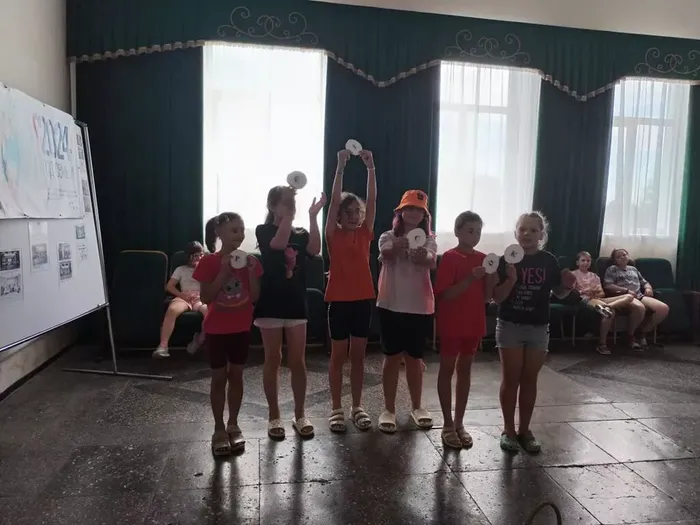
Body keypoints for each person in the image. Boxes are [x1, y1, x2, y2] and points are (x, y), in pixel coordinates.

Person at [492, 211, 576, 453]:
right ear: (515, 232)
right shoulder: (506, 260)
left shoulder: (549, 261)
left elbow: (559, 293)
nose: (527, 234)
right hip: (510, 326)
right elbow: (497, 297)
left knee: (530, 379)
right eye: (522, 229)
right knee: (511, 379)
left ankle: (525, 430)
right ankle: (508, 430)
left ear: (541, 235)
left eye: (533, 230)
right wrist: (510, 279)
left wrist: (567, 284)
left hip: (539, 327)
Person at [255, 185, 326, 439]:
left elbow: (315, 249)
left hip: (296, 303)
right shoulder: (264, 230)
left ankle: (300, 414)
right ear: (272, 206)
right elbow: (278, 243)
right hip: (270, 304)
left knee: (298, 360)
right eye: (285, 202)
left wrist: (313, 217)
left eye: (292, 203)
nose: (290, 207)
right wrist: (286, 217)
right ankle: (274, 416)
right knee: (273, 358)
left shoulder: (301, 233)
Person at [192, 212, 263, 456]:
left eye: (241, 230)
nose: (239, 235)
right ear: (219, 233)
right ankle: (218, 428)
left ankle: (233, 424)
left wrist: (251, 272)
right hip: (216, 330)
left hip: (241, 328)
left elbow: (254, 297)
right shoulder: (209, 262)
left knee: (236, 376)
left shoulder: (249, 261)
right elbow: (205, 297)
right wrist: (223, 271)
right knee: (219, 378)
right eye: (234, 230)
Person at [325, 148, 377, 432]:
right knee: (338, 357)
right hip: (339, 302)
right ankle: (336, 408)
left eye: (358, 211)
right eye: (349, 212)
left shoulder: (365, 233)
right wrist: (340, 167)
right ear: (340, 216)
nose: (355, 216)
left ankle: (357, 406)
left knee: (358, 358)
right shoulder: (333, 234)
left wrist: (370, 168)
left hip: (362, 302)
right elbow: (334, 201)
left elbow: (373, 200)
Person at [376, 189, 436, 434]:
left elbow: (431, 260)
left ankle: (417, 406)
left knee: (415, 359)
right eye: (409, 208)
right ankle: (388, 409)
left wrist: (421, 255)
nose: (413, 213)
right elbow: (384, 254)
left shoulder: (429, 239)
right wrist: (396, 247)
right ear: (400, 212)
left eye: (418, 210)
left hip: (419, 306)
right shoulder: (388, 236)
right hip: (390, 304)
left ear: (424, 216)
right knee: (391, 357)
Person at [434, 211, 494, 449]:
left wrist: (491, 276)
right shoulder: (450, 257)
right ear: (457, 231)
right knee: (447, 369)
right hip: (452, 322)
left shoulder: (483, 258)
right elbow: (445, 295)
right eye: (470, 231)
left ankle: (459, 422)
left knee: (466, 370)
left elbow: (487, 296)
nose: (475, 235)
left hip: (474, 322)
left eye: (478, 231)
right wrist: (470, 278)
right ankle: (447, 423)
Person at [603, 248, 670, 351]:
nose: (622, 257)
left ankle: (642, 332)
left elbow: (644, 282)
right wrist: (626, 290)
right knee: (640, 308)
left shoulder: (633, 269)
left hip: (639, 295)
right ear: (615, 260)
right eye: (618, 257)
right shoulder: (612, 269)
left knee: (663, 309)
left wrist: (648, 288)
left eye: (624, 255)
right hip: (624, 296)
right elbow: (608, 285)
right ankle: (630, 336)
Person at [572, 250, 633, 355]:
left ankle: (606, 306)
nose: (586, 263)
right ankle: (602, 344)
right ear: (577, 262)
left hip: (599, 299)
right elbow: (572, 292)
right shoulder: (573, 274)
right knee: (610, 313)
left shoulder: (594, 276)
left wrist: (597, 292)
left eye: (588, 261)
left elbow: (602, 293)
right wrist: (585, 292)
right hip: (585, 299)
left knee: (629, 296)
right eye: (583, 260)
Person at [153, 241, 207, 358]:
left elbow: (209, 286)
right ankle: (163, 346)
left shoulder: (206, 269)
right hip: (184, 296)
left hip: (200, 298)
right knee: (172, 310)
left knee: (209, 311)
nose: (199, 258)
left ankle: (199, 340)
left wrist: (201, 272)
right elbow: (169, 286)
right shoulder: (181, 269)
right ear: (189, 256)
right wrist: (182, 295)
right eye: (195, 255)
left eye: (201, 255)